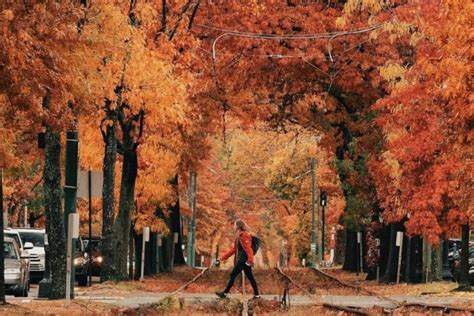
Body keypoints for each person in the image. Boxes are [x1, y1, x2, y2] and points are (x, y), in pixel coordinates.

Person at [215, 219, 260, 299]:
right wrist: (221, 258)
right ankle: (257, 295)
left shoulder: (245, 235)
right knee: (250, 277)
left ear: (238, 226)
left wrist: (250, 261)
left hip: (243, 260)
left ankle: (224, 293)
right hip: (243, 260)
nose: (234, 226)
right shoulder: (239, 236)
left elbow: (249, 249)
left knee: (233, 274)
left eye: (235, 225)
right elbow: (233, 250)